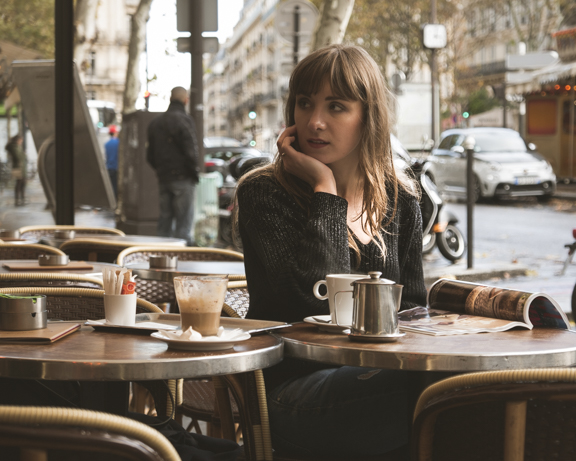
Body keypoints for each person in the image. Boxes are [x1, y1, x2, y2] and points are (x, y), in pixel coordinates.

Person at [235, 44, 426, 457]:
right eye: (305, 103)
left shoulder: (400, 200)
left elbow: (411, 308)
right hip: (289, 390)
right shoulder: (265, 193)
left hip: (379, 378)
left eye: (336, 107)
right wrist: (325, 188)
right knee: (424, 390)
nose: (315, 122)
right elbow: (311, 296)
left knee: (472, 385)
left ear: (368, 117)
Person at [146, 87, 199, 245]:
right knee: (183, 226)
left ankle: (161, 260)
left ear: (170, 99)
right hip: (183, 178)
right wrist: (194, 173)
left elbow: (149, 155)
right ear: (185, 100)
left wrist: (161, 170)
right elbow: (191, 152)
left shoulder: (155, 123)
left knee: (165, 221)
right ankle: (180, 263)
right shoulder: (185, 120)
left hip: (164, 178)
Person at [5, 134, 27, 206]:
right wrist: (23, 154)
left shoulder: (16, 147)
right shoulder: (14, 147)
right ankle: (18, 200)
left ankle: (21, 199)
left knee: (22, 183)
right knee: (19, 184)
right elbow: (18, 157)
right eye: (21, 140)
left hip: (21, 168)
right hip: (18, 168)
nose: (21, 141)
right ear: (18, 140)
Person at [105, 125, 119, 199]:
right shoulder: (118, 143)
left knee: (110, 185)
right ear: (115, 133)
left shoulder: (107, 144)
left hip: (109, 167)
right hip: (116, 167)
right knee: (115, 186)